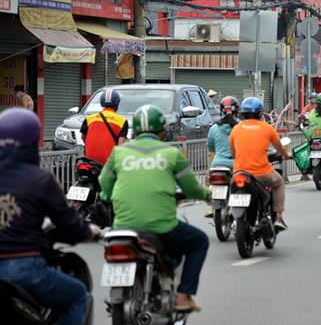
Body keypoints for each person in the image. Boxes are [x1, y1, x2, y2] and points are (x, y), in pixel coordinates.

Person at [100, 104, 211, 312]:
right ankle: (184, 295)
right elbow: (192, 188)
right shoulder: (171, 153)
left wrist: (107, 196)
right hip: (162, 227)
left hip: (122, 227)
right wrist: (208, 195)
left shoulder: (118, 152)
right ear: (162, 132)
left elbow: (105, 185)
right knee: (200, 241)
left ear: (134, 131)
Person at [0, 108, 100, 325]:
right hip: (24, 268)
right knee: (78, 297)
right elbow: (67, 222)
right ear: (33, 142)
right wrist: (88, 231)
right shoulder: (41, 179)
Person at [229, 97, 292, 230]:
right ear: (260, 113)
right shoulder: (267, 128)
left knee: (233, 186)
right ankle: (279, 217)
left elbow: (233, 154)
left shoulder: (236, 129)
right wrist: (286, 155)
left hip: (240, 172)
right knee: (279, 183)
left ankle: (230, 209)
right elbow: (280, 148)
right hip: (261, 173)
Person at [204, 96, 240, 218]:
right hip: (237, 165)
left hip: (217, 165)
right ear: (237, 109)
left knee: (208, 178)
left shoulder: (214, 128)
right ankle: (234, 206)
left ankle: (211, 206)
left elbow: (210, 146)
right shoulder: (242, 127)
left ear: (221, 110)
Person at [80, 88, 128, 165]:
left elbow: (83, 137)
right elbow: (120, 147)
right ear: (117, 104)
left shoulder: (89, 119)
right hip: (109, 165)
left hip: (90, 163)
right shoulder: (121, 121)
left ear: (102, 103)